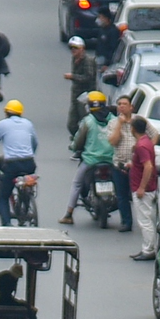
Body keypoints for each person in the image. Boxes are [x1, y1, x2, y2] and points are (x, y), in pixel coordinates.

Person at [0, 99, 38, 227]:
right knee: (27, 184)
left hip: (12, 165)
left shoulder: (3, 124)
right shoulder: (28, 124)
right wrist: (29, 153)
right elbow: (35, 142)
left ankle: (7, 224)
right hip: (29, 163)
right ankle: (25, 204)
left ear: (6, 113)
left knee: (3, 197)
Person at [63, 91, 115, 224]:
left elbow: (79, 140)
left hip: (91, 161)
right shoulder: (114, 119)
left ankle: (69, 214)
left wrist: (74, 147)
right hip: (111, 160)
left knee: (77, 183)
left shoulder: (88, 121)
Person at [104, 94, 138, 232]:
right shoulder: (113, 123)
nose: (122, 106)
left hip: (136, 165)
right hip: (119, 164)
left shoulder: (139, 121)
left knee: (138, 194)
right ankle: (126, 221)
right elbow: (113, 141)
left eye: (124, 104)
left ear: (131, 107)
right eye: (119, 104)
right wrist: (120, 124)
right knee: (121, 195)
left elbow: (153, 135)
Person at [128, 116, 160, 260]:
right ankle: (147, 247)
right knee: (145, 218)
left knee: (144, 220)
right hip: (147, 187)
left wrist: (141, 187)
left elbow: (148, 166)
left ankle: (149, 249)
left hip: (143, 190)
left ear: (133, 129)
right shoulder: (146, 142)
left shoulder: (141, 146)